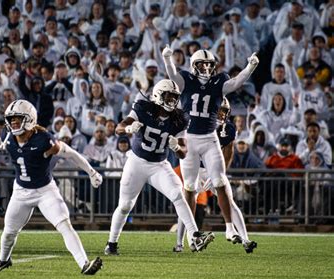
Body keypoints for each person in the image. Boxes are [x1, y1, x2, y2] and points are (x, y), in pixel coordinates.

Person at [0, 100, 103, 275]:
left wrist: (91, 172)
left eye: (17, 119)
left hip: (45, 191)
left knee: (64, 224)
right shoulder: (8, 135)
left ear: (29, 120)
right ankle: (3, 260)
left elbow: (70, 153)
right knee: (9, 232)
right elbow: (3, 142)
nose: (13, 123)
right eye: (11, 120)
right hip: (21, 191)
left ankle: (84, 263)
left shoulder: (44, 140)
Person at [104, 79, 215, 256]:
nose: (172, 101)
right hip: (137, 162)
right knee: (125, 205)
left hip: (159, 165)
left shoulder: (179, 118)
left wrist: (177, 147)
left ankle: (195, 235)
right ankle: (112, 243)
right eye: (169, 96)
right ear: (158, 95)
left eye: (174, 97)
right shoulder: (143, 107)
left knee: (178, 194)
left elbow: (184, 152)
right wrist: (129, 128)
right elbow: (119, 127)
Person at [162, 46, 259, 241]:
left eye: (209, 64)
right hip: (189, 138)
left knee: (221, 181)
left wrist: (250, 67)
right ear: (193, 66)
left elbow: (237, 82)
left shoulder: (219, 81)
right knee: (189, 186)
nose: (206, 68)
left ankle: (230, 228)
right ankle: (191, 233)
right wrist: (167, 58)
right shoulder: (185, 80)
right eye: (202, 64)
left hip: (209, 138)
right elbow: (171, 73)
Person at [174, 98, 257, 254]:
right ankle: (179, 242)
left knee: (230, 201)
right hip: (194, 169)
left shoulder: (228, 129)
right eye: (219, 109)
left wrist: (218, 173)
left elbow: (228, 153)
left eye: (224, 111)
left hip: (212, 170)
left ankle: (245, 239)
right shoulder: (196, 123)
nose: (221, 114)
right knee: (188, 200)